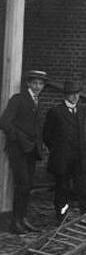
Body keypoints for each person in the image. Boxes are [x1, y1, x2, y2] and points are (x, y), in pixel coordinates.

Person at [1, 70, 48, 234]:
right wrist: (19, 138)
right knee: (22, 184)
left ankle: (23, 219)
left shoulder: (37, 101)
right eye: (34, 83)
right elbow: (4, 122)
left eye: (41, 84)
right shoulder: (18, 99)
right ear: (28, 83)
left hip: (31, 150)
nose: (37, 86)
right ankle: (15, 222)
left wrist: (40, 144)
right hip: (18, 149)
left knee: (27, 185)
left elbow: (36, 127)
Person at [43, 80, 86, 221]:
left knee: (82, 187)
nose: (75, 97)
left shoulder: (81, 110)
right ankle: (62, 216)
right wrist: (59, 150)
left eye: (77, 93)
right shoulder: (56, 112)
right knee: (62, 189)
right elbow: (47, 136)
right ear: (65, 95)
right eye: (71, 94)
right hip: (62, 158)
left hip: (79, 157)